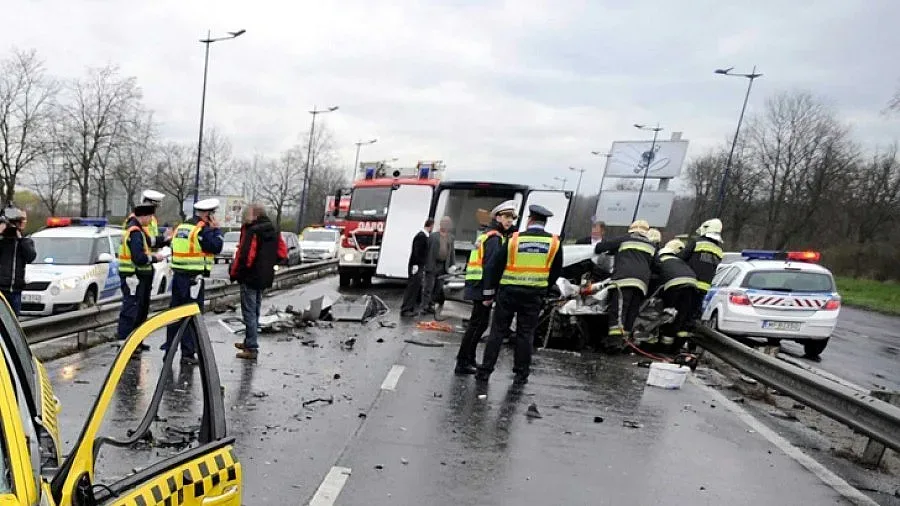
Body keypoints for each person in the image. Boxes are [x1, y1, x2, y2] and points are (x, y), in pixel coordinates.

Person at [477, 205, 562, 385]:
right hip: (533, 295)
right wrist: (544, 289)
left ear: (530, 220)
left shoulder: (515, 239)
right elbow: (556, 271)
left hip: (508, 292)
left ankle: (485, 370)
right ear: (544, 223)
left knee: (498, 332)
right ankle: (521, 374)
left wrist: (489, 292)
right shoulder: (554, 242)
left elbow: (495, 265)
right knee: (525, 334)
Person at [454, 200, 517, 375]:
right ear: (497, 217)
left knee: (478, 325)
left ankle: (469, 359)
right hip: (482, 287)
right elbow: (490, 266)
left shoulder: (489, 234)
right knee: (477, 325)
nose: (509, 221)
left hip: (478, 284)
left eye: (511, 218)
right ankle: (463, 361)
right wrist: (489, 294)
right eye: (506, 217)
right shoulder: (495, 238)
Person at [164, 198, 224, 365]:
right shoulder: (203, 229)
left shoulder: (183, 227)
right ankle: (188, 354)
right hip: (194, 280)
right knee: (191, 316)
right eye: (213, 214)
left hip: (178, 277)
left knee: (174, 315)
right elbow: (216, 247)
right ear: (207, 215)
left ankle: (169, 352)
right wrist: (217, 230)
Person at [231, 204, 288, 360]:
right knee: (255, 309)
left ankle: (251, 347)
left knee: (248, 311)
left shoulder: (253, 231)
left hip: (250, 276)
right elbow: (282, 253)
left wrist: (236, 272)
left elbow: (246, 256)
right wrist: (268, 263)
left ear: (254, 215)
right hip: (265, 276)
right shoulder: (274, 230)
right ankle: (249, 340)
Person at [593, 219, 656, 351]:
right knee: (632, 312)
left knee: (618, 311)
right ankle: (625, 342)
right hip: (642, 284)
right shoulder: (652, 245)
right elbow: (656, 266)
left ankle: (614, 343)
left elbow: (600, 247)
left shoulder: (624, 239)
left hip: (623, 280)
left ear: (631, 229)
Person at [117, 203, 166, 348]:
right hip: (134, 277)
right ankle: (125, 343)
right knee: (131, 309)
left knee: (139, 309)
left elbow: (149, 242)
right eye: (150, 216)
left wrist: (164, 238)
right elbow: (139, 258)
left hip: (138, 276)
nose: (151, 220)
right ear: (143, 216)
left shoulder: (137, 229)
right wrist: (155, 258)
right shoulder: (135, 232)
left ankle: (135, 342)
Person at [653, 239, 698, 350]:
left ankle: (661, 345)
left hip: (674, 286)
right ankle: (670, 347)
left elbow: (655, 280)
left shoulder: (660, 260)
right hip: (692, 285)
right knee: (680, 316)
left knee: (668, 314)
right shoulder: (679, 261)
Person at [677, 218, 724, 320]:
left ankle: (676, 331)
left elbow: (682, 257)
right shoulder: (719, 250)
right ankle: (688, 330)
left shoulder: (697, 242)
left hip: (690, 282)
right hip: (705, 286)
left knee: (682, 309)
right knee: (693, 311)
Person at [0, 205, 35, 316]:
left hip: (16, 291)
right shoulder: (2, 241)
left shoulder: (25, 241)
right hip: (1, 291)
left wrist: (20, 239)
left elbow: (31, 257)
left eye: (19, 222)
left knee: (13, 324)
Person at [422, 216, 456, 315]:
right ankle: (424, 306)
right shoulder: (433, 236)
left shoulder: (451, 237)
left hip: (443, 266)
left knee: (438, 287)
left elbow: (452, 252)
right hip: (432, 265)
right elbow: (427, 250)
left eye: (447, 223)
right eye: (443, 222)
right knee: (429, 287)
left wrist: (452, 264)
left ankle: (431, 304)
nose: (445, 224)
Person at [400, 218, 433, 317]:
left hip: (418, 265)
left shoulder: (424, 236)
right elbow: (417, 252)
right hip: (416, 265)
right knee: (412, 287)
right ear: (430, 226)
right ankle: (406, 309)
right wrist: (416, 265)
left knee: (416, 287)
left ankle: (411, 307)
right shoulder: (421, 236)